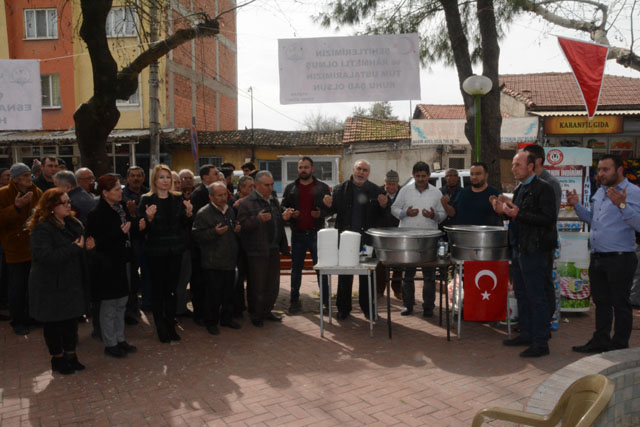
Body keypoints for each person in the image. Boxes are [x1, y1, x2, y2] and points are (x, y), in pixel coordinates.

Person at [568, 154, 640, 353]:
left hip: (620, 258)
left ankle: (619, 346)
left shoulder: (633, 192)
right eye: (599, 169)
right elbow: (594, 220)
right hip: (599, 257)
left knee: (621, 304)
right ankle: (601, 340)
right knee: (601, 303)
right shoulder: (600, 192)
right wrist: (577, 205)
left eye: (606, 169)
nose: (601, 174)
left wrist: (623, 205)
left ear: (619, 170)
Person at [492, 151, 557, 358]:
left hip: (535, 251)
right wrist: (506, 207)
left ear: (531, 166)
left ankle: (540, 342)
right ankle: (526, 333)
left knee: (537, 297)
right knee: (522, 293)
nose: (513, 168)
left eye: (518, 164)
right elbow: (518, 215)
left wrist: (518, 213)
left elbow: (547, 219)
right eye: (513, 164)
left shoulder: (544, 188)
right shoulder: (521, 188)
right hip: (520, 249)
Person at [28, 188, 93, 374]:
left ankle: (71, 355)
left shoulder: (73, 223)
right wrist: (74, 248)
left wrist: (88, 248)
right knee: (54, 324)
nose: (68, 206)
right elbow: (45, 256)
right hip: (50, 285)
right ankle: (57, 358)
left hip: (71, 282)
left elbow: (80, 250)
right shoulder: (42, 228)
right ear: (51, 207)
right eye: (63, 203)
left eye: (68, 202)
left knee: (71, 322)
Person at [322, 159, 387, 320]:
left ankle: (368, 308)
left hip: (367, 242)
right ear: (353, 169)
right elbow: (330, 212)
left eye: (365, 170)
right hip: (346, 241)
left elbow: (383, 216)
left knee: (367, 275)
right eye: (359, 169)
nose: (361, 172)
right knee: (345, 275)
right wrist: (327, 205)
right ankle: (343, 309)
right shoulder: (339, 190)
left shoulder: (376, 190)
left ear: (368, 173)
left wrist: (384, 206)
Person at [87, 175, 142, 358]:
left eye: (120, 188)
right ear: (105, 192)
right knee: (109, 306)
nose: (120, 192)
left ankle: (120, 339)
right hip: (107, 266)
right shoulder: (97, 213)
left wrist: (138, 223)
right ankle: (110, 343)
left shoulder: (122, 208)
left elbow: (129, 230)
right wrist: (119, 233)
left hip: (123, 261)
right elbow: (96, 243)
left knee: (121, 303)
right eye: (116, 189)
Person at [138, 164, 193, 342]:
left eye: (167, 177)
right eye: (161, 177)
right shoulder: (146, 199)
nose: (165, 180)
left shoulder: (177, 198)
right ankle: (161, 328)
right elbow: (142, 231)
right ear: (154, 179)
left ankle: (171, 325)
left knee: (172, 290)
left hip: (175, 250)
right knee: (158, 291)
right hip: (155, 252)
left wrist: (189, 215)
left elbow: (183, 226)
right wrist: (149, 219)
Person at [391, 161, 446, 317]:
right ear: (413, 176)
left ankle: (428, 308)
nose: (421, 179)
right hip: (408, 239)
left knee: (429, 276)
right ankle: (407, 306)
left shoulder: (436, 192)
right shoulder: (405, 191)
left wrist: (434, 216)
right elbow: (394, 208)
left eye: (423, 176)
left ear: (429, 175)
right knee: (408, 275)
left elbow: (443, 214)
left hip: (429, 239)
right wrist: (405, 213)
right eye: (417, 176)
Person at [238, 171, 291, 327]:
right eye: (266, 185)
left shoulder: (274, 201)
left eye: (272, 184)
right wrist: (257, 220)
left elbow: (277, 222)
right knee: (257, 285)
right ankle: (256, 314)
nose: (270, 187)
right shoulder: (247, 203)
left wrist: (284, 218)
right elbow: (241, 226)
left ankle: (267, 311)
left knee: (272, 285)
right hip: (257, 250)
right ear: (257, 185)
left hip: (273, 248)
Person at [281, 157, 331, 314]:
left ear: (312, 169)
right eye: (301, 167)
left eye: (306, 167)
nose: (303, 170)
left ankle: (326, 302)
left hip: (317, 234)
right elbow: (283, 205)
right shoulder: (291, 188)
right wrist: (289, 212)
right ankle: (294, 301)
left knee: (321, 269)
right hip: (298, 234)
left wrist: (321, 213)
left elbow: (330, 209)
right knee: (296, 270)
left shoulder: (322, 187)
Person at [192, 182, 242, 335]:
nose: (223, 198)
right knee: (213, 295)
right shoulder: (204, 213)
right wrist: (214, 232)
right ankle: (211, 322)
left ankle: (226, 319)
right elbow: (196, 235)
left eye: (224, 194)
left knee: (228, 293)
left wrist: (236, 231)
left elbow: (231, 233)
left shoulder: (230, 211)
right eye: (219, 195)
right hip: (212, 262)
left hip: (229, 260)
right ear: (211, 197)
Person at [0, 163, 43, 335]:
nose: (28, 178)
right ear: (16, 179)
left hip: (33, 246)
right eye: (24, 176)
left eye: (29, 175)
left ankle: (31, 316)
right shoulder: (3, 194)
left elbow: (42, 211)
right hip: (13, 247)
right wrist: (16, 207)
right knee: (17, 286)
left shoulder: (36, 192)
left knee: (32, 285)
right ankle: (17, 320)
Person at [523, 144, 562, 329]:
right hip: (528, 244)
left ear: (536, 161)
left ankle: (545, 325)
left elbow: (549, 217)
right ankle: (531, 324)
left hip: (542, 244)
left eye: (526, 159)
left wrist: (519, 214)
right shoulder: (526, 183)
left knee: (544, 286)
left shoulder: (550, 183)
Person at [188, 164, 220, 325]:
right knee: (200, 283)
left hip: (214, 247)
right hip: (200, 247)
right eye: (215, 173)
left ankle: (210, 313)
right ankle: (199, 314)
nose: (218, 175)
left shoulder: (216, 191)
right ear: (205, 177)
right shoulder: (199, 194)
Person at [122, 166, 150, 316]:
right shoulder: (122, 195)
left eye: (139, 176)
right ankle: (131, 307)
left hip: (147, 238)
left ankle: (147, 302)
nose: (136, 178)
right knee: (131, 275)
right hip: (131, 240)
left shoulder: (149, 193)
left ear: (143, 178)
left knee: (148, 272)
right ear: (127, 178)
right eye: (132, 176)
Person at [376, 169, 403, 299]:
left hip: (399, 231)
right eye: (388, 184)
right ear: (385, 183)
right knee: (381, 262)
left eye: (393, 184)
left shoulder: (404, 192)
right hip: (382, 232)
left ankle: (397, 288)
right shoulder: (378, 192)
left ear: (398, 183)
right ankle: (380, 289)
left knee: (399, 262)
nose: (391, 187)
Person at [230, 175, 254, 317]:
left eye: (253, 186)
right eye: (249, 186)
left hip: (251, 245)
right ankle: (237, 308)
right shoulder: (233, 202)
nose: (252, 189)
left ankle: (252, 307)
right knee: (238, 280)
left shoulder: (254, 201)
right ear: (241, 188)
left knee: (252, 279)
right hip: (238, 247)